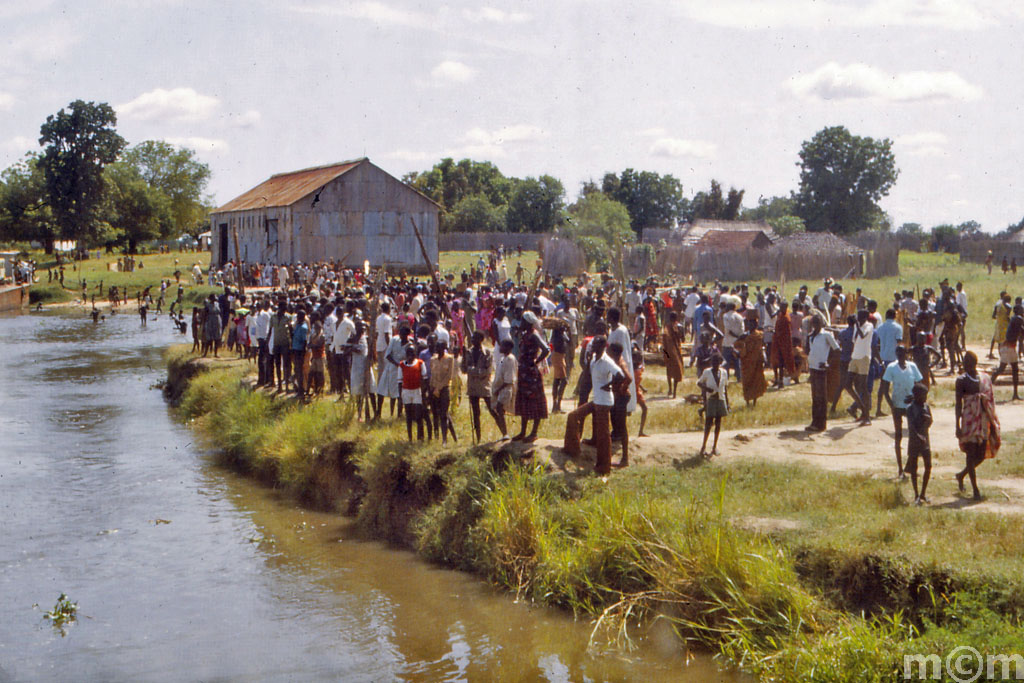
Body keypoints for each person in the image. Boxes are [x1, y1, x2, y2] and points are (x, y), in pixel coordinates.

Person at [564, 336, 619, 475]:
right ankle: (573, 449)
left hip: (604, 402)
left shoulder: (607, 361)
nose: (592, 347)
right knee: (573, 416)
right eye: (592, 345)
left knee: (603, 435)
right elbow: (589, 375)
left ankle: (604, 466)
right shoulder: (594, 359)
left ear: (602, 346)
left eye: (595, 345)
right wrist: (588, 361)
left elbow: (621, 376)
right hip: (596, 400)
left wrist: (610, 385)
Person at [955, 351, 1001, 501]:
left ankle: (961, 475)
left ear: (974, 364)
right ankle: (975, 490)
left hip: (982, 419)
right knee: (970, 452)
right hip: (969, 419)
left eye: (967, 362)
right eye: (964, 362)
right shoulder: (961, 380)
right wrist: (957, 425)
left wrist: (992, 419)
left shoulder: (984, 378)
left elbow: (990, 400)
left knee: (981, 454)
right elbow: (958, 404)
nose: (964, 365)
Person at [882, 345, 923, 478]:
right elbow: (884, 388)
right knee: (898, 436)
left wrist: (915, 396)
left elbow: (920, 384)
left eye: (902, 352)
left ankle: (910, 465)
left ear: (906, 353)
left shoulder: (912, 367)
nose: (900, 355)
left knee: (914, 435)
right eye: (898, 352)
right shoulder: (891, 368)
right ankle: (900, 468)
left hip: (911, 406)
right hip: (897, 406)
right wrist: (891, 405)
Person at [512, 312, 550, 442]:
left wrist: (536, 361)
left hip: (531, 373)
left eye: (522, 321)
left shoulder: (534, 335)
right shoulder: (525, 335)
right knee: (524, 401)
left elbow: (546, 349)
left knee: (534, 401)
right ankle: (523, 432)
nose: (520, 323)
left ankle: (534, 432)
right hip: (523, 372)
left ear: (528, 323)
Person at [462, 330, 500, 443]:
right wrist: (464, 359)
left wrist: (472, 370)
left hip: (484, 386)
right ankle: (478, 439)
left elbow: (487, 371)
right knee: (475, 413)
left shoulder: (488, 353)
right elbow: (463, 369)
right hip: (473, 387)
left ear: (481, 340)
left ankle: (504, 432)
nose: (472, 340)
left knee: (492, 410)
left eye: (474, 338)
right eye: (472, 338)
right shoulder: (468, 352)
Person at [805, 315, 839, 433]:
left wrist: (828, 363)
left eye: (818, 323)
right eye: (814, 324)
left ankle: (821, 423)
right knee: (815, 397)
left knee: (821, 397)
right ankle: (815, 422)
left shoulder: (826, 335)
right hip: (813, 368)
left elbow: (837, 350)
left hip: (821, 369)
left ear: (821, 324)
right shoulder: (811, 336)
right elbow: (808, 350)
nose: (816, 326)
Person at [606, 341, 632, 467]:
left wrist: (622, 388)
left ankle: (625, 459)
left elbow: (629, 378)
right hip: (618, 396)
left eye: (609, 350)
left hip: (621, 397)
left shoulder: (619, 363)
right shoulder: (617, 360)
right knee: (617, 426)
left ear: (614, 352)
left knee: (622, 427)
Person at [906, 383, 933, 505]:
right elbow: (911, 427)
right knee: (914, 468)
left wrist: (927, 421)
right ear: (916, 396)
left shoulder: (926, 407)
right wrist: (919, 436)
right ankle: (916, 494)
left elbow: (930, 421)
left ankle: (923, 493)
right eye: (923, 396)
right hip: (914, 442)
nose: (925, 398)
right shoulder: (910, 409)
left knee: (928, 466)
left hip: (925, 441)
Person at [991, 304, 1024, 401]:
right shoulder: (1018, 319)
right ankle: (989, 383)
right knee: (1003, 369)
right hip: (1008, 347)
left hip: (1009, 347)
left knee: (1014, 369)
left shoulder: (1015, 319)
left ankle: (1015, 394)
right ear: (1018, 311)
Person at [698, 352, 728, 456]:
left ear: (720, 362)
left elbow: (725, 388)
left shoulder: (723, 372)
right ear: (711, 362)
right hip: (711, 399)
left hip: (720, 399)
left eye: (717, 362)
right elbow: (699, 382)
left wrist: (727, 402)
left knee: (718, 423)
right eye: (714, 362)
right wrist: (707, 389)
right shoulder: (707, 372)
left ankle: (714, 446)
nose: (715, 365)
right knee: (708, 423)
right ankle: (703, 446)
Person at [874, 309, 903, 416]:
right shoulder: (898, 327)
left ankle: (878, 409)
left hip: (882, 358)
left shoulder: (880, 327)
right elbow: (899, 343)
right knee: (897, 384)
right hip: (894, 358)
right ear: (895, 316)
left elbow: (877, 342)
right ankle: (897, 407)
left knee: (882, 385)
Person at [427, 340, 457, 445]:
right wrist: (432, 390)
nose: (438, 350)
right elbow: (432, 376)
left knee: (444, 414)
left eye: (440, 348)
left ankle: (445, 439)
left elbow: (448, 376)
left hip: (444, 389)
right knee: (435, 414)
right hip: (433, 389)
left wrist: (438, 389)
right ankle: (436, 436)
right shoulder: (433, 359)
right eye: (437, 348)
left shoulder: (449, 359)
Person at [733, 317, 767, 407]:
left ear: (756, 325)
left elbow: (762, 346)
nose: (751, 326)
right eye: (750, 324)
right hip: (746, 362)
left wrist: (763, 357)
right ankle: (748, 401)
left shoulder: (759, 335)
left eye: (753, 324)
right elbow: (736, 345)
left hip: (757, 362)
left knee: (756, 381)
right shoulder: (744, 336)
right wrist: (739, 352)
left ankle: (755, 401)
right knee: (747, 381)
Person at [399, 344, 427, 441]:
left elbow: (424, 379)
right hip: (406, 391)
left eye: (412, 353)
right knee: (408, 415)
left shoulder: (420, 363)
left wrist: (423, 393)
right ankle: (410, 437)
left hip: (417, 391)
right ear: (406, 354)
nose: (410, 355)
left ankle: (420, 437)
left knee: (418, 415)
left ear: (415, 354)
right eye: (408, 353)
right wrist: (400, 397)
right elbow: (400, 382)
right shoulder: (402, 365)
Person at [491, 338, 516, 440]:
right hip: (500, 388)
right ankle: (504, 433)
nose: (500, 348)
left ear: (508, 348)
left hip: (505, 388)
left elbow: (509, 379)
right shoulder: (503, 359)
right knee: (497, 409)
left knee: (500, 409)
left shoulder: (510, 359)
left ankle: (505, 434)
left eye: (503, 346)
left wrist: (498, 389)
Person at [662, 311, 685, 398]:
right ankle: (673, 391)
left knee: (670, 370)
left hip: (669, 352)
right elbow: (682, 339)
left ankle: (671, 390)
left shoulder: (668, 328)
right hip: (674, 352)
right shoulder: (669, 328)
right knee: (676, 371)